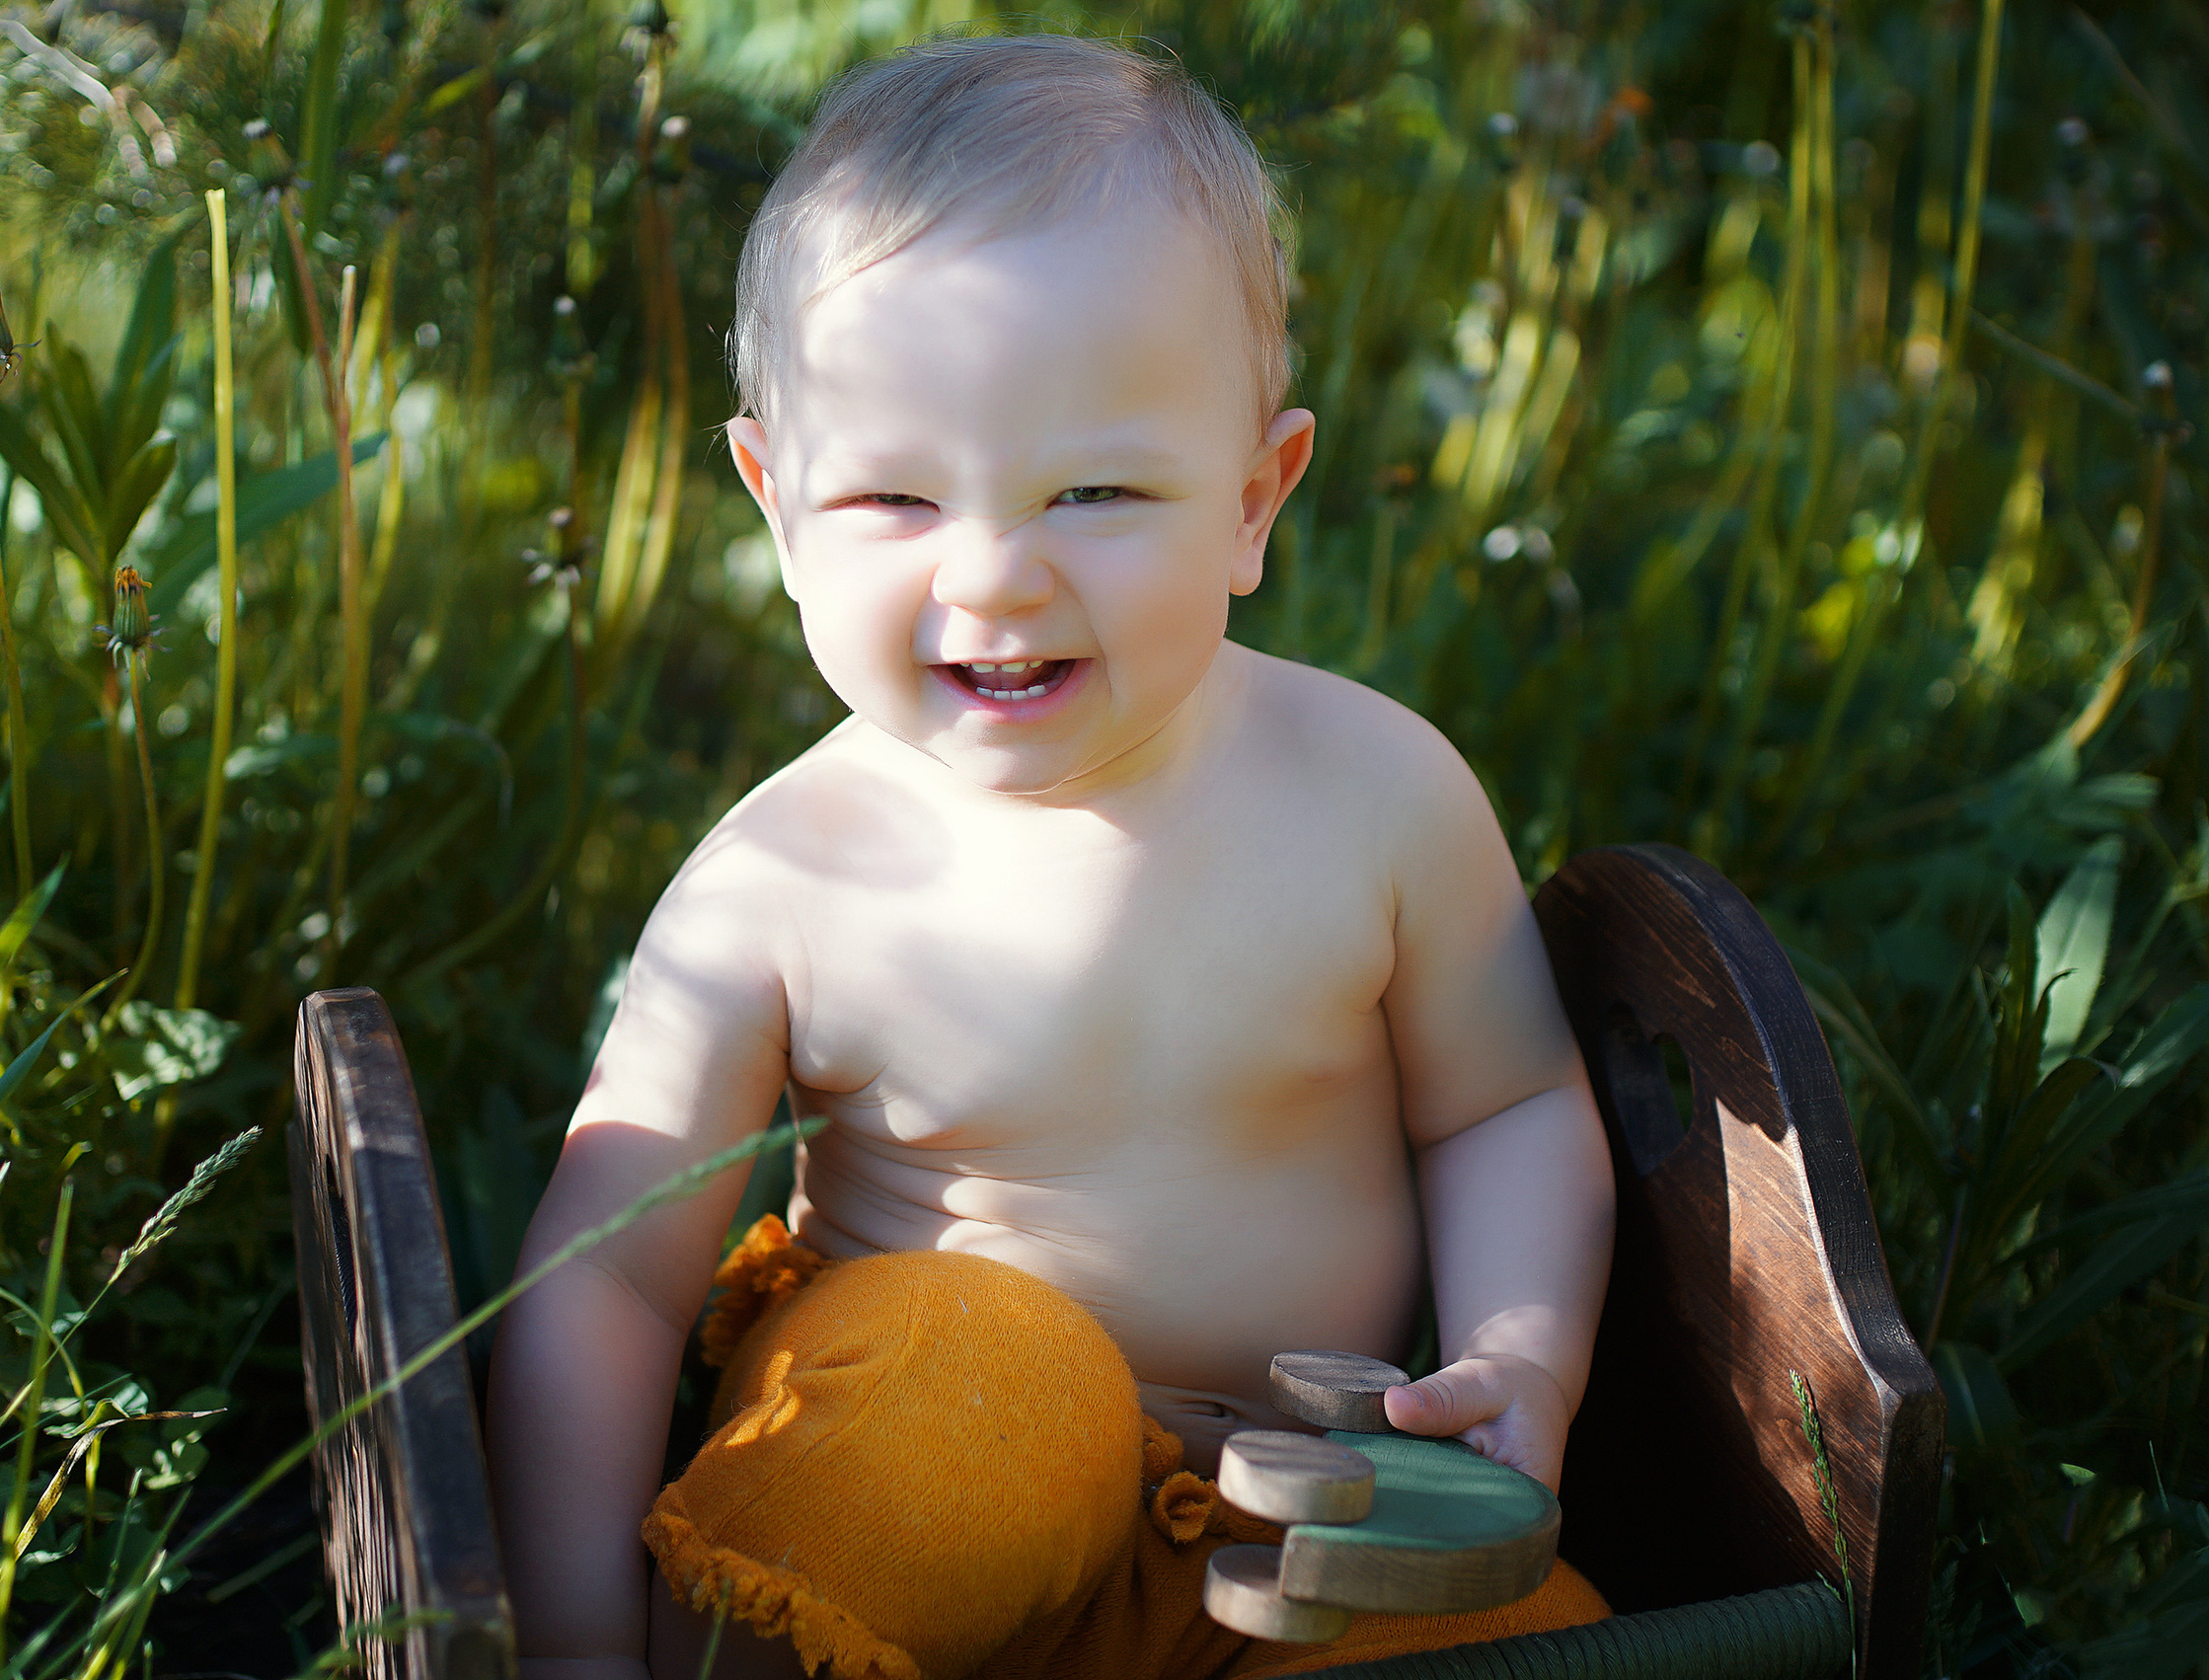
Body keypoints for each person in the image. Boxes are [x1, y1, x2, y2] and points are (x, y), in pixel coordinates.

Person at [488, 32, 1616, 1680]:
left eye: (1092, 489)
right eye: (893, 497)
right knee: (977, 1386)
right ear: (776, 503)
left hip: (1284, 1518)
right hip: (917, 1514)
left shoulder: (1379, 794)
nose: (994, 577)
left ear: (1253, 498)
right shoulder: (785, 878)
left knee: (1534, 1647)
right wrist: (577, 1643)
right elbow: (612, 1279)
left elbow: (1503, 1104)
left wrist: (1523, 1352)